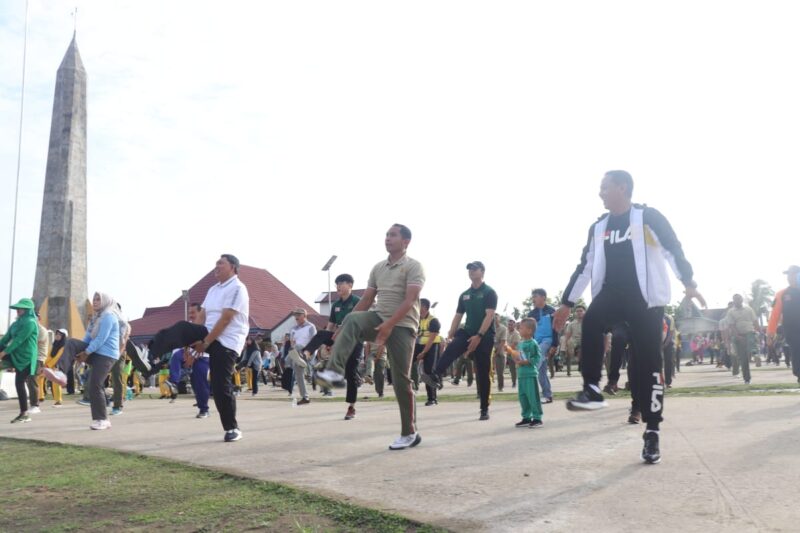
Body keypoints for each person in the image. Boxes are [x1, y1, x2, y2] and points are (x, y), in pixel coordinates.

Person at [553, 170, 705, 464]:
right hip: (611, 295)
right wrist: (566, 302)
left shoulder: (647, 217)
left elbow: (672, 248)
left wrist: (688, 282)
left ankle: (652, 430)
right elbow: (584, 266)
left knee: (649, 366)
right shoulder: (599, 227)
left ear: (622, 188)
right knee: (593, 319)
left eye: (605, 187)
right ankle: (593, 389)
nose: (600, 193)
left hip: (645, 301)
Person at [315, 224, 424, 450]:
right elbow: (365, 301)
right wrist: (341, 329)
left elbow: (410, 300)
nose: (387, 238)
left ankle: (409, 432)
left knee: (401, 379)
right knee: (353, 320)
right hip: (377, 317)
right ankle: (333, 371)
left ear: (406, 241)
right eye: (386, 234)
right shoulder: (378, 268)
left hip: (403, 325)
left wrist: (389, 326)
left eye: (393, 235)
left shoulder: (414, 267)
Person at [424, 261, 497, 421]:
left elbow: (489, 315)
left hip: (484, 335)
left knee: (483, 373)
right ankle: (436, 375)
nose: (471, 271)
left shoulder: (489, 292)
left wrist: (479, 336)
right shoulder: (464, 294)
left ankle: (484, 408)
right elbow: (458, 315)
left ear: (482, 271)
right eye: (469, 269)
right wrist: (450, 333)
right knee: (454, 346)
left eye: (474, 269)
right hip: (467, 331)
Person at [189, 254, 250, 442]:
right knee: (179, 330)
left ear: (232, 267)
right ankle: (155, 364)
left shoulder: (237, 288)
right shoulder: (213, 289)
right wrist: (194, 341)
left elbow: (225, 319)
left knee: (220, 385)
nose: (216, 266)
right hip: (209, 337)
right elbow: (202, 316)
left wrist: (205, 343)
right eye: (215, 263)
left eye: (220, 263)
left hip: (227, 342)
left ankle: (233, 428)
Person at [302, 273, 363, 419]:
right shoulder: (335, 305)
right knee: (322, 333)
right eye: (337, 284)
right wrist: (325, 344)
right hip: (339, 337)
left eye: (342, 283)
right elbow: (331, 325)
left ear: (350, 285)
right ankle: (306, 353)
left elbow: (359, 323)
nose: (338, 286)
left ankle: (351, 407)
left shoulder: (357, 301)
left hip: (355, 340)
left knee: (350, 373)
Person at [74, 292, 122, 430]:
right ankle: (62, 373)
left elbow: (101, 339)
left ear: (105, 301)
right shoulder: (96, 318)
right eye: (94, 299)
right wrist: (79, 351)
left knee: (95, 384)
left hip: (107, 355)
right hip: (97, 352)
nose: (94, 302)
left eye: (98, 299)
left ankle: (103, 419)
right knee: (71, 343)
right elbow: (87, 338)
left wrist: (86, 352)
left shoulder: (109, 317)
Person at [0, 298, 40, 423]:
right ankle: (24, 414)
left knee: (19, 383)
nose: (18, 310)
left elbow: (19, 340)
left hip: (26, 358)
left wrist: (3, 353)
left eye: (21, 308)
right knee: (19, 383)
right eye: (17, 308)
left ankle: (24, 414)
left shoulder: (31, 322)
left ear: (28, 310)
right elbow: (5, 339)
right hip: (15, 354)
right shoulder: (15, 323)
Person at [506, 317, 543, 428]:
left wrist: (524, 362)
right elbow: (517, 356)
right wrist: (510, 352)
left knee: (533, 397)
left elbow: (536, 358)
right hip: (521, 375)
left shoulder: (533, 343)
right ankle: (526, 417)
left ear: (529, 330)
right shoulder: (521, 344)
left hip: (530, 375)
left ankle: (537, 418)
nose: (519, 330)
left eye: (521, 328)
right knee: (523, 397)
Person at [768, 265, 800, 383]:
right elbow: (775, 315)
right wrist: (770, 333)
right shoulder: (782, 294)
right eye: (788, 275)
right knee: (797, 354)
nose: (789, 277)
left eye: (793, 274)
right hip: (792, 332)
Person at [526, 289, 557, 404]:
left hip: (548, 341)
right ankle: (548, 395)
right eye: (532, 297)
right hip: (536, 342)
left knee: (535, 366)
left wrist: (555, 344)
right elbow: (529, 332)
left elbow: (556, 329)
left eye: (535, 296)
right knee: (542, 372)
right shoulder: (531, 314)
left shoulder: (552, 311)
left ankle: (529, 379)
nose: (533, 299)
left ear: (543, 297)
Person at [415, 298, 442, 406]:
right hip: (419, 345)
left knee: (428, 372)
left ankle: (432, 398)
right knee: (405, 363)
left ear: (425, 307)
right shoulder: (418, 319)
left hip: (431, 346)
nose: (416, 307)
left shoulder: (433, 320)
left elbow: (431, 338)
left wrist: (424, 353)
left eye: (419, 305)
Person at [727, 294, 759, 384]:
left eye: (739, 299)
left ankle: (755, 354)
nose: (737, 301)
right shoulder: (731, 312)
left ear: (742, 300)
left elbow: (755, 321)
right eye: (735, 299)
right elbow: (731, 325)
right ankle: (747, 379)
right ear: (733, 301)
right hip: (739, 335)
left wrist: (759, 332)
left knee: (752, 342)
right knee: (743, 358)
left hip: (750, 332)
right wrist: (737, 336)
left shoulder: (748, 309)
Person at [289, 308, 316, 405]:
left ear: (304, 316)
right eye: (295, 315)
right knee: (298, 374)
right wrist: (293, 346)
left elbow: (314, 342)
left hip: (307, 352)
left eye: (298, 315)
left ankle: (300, 359)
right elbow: (292, 342)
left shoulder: (310, 327)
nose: (296, 317)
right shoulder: (293, 329)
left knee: (299, 347)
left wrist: (309, 353)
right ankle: (305, 397)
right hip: (297, 352)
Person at [562, 304, 585, 377]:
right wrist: (565, 346)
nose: (579, 313)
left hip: (586, 341)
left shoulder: (589, 322)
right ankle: (562, 357)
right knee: (567, 341)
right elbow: (567, 335)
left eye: (581, 311)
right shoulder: (571, 324)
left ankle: (582, 364)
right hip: (575, 342)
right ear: (575, 313)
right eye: (577, 311)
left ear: (584, 312)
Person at [492, 315, 508, 393]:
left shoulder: (503, 328)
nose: (494, 320)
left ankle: (500, 387)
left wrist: (496, 352)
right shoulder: (490, 328)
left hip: (500, 352)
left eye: (496, 318)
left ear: (499, 319)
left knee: (500, 372)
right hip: (490, 351)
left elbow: (503, 342)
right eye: (493, 318)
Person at [506, 319, 520, 388]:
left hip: (515, 353)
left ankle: (518, 381)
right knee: (512, 369)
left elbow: (514, 344)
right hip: (508, 353)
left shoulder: (516, 333)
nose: (509, 326)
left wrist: (506, 348)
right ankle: (514, 382)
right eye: (508, 324)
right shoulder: (506, 333)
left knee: (517, 369)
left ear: (514, 325)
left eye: (511, 325)